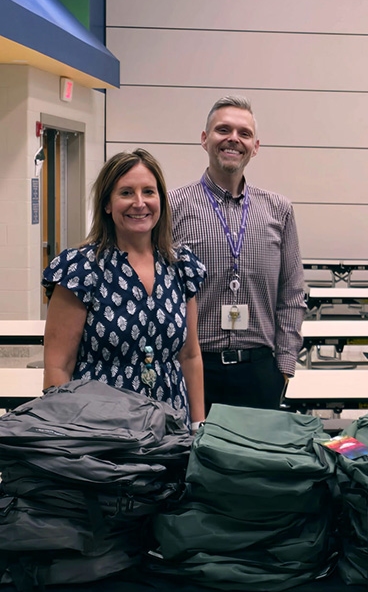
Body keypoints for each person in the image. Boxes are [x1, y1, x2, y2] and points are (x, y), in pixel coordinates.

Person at [42, 149, 206, 429]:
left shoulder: (180, 267)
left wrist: (198, 424)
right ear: (107, 204)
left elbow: (190, 355)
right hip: (101, 431)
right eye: (126, 193)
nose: (139, 203)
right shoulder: (81, 270)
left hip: (170, 426)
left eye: (149, 192)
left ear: (161, 201)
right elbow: (59, 367)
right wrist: (65, 439)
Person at [169, 95, 306, 414]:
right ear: (205, 139)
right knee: (191, 461)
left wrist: (284, 366)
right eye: (223, 130)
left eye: (244, 133)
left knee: (255, 463)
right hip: (194, 365)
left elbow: (292, 294)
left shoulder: (279, 210)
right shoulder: (173, 207)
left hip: (259, 370)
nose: (233, 139)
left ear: (255, 146)